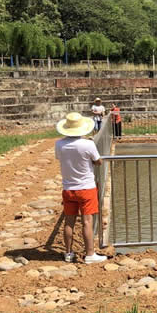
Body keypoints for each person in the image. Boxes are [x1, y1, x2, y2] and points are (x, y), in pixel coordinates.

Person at [55, 112, 107, 264]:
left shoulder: (59, 144)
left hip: (68, 188)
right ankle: (90, 254)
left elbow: (59, 158)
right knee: (87, 222)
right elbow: (98, 161)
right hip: (86, 188)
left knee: (69, 222)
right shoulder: (88, 144)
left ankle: (68, 253)